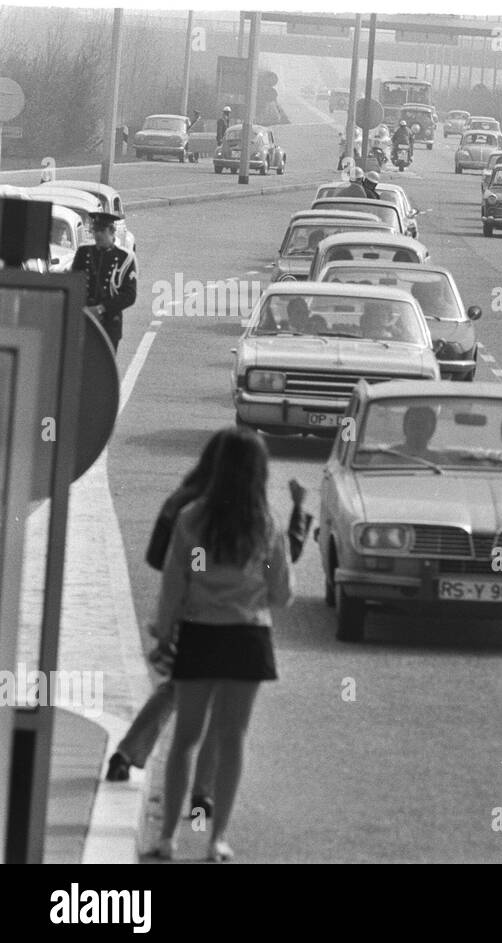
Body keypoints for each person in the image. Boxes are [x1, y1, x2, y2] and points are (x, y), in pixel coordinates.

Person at [105, 441, 311, 825]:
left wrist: (166, 629)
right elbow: (278, 576)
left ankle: (136, 766)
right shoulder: (258, 519)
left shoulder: (189, 507)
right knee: (224, 725)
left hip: (194, 625)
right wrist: (298, 510)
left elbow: (175, 571)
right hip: (243, 634)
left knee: (177, 705)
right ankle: (203, 804)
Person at [147, 428, 292, 862]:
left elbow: (176, 584)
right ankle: (217, 840)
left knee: (185, 738)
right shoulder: (266, 527)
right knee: (233, 739)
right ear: (258, 474)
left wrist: (164, 633)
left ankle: (169, 837)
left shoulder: (192, 519)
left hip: (200, 634)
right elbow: (281, 592)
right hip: (248, 639)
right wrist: (249, 591)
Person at [71, 212, 137, 353]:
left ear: (112, 232)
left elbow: (129, 295)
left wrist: (102, 308)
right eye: (95, 230)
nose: (98, 235)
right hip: (84, 320)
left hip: (109, 323)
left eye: (102, 230)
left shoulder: (125, 258)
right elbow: (73, 283)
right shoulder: (84, 253)